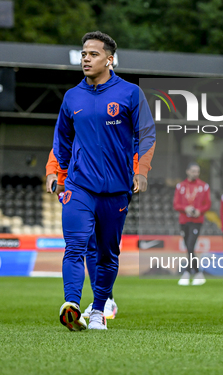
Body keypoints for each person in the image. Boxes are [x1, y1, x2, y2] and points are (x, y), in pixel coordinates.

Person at [54, 31, 156, 331]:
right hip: (80, 185)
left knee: (108, 254)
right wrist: (61, 176)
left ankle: (98, 310)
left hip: (117, 189)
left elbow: (146, 135)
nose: (86, 58)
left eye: (93, 54)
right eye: (83, 53)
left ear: (109, 59)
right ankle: (71, 304)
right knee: (75, 246)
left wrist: (141, 171)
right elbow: (61, 141)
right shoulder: (72, 97)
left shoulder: (130, 93)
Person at [45, 150, 119, 319]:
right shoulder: (69, 129)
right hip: (74, 187)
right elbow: (57, 149)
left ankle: (105, 300)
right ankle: (98, 301)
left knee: (96, 246)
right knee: (86, 246)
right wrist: (51, 172)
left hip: (96, 187)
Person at [173, 162, 211, 286]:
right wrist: (186, 208)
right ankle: (198, 273)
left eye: (197, 171)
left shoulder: (204, 186)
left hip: (197, 221)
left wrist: (199, 211)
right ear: (187, 171)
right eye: (193, 171)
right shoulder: (180, 186)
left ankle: (187, 273)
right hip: (184, 220)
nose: (196, 173)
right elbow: (176, 204)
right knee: (189, 247)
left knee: (190, 246)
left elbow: (208, 204)